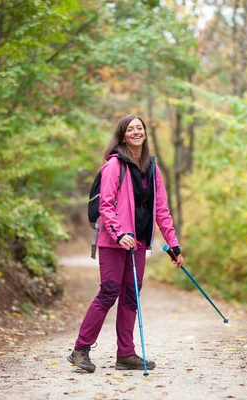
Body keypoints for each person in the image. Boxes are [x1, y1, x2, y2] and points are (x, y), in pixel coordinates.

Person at [67, 114, 184, 373]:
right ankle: (80, 349)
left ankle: (126, 354)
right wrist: (119, 233)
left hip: (139, 242)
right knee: (109, 292)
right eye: (130, 129)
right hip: (113, 241)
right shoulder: (113, 167)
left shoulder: (152, 168)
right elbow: (106, 206)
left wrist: (173, 245)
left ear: (145, 133)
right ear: (122, 135)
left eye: (139, 128)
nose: (135, 132)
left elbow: (161, 210)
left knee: (131, 295)